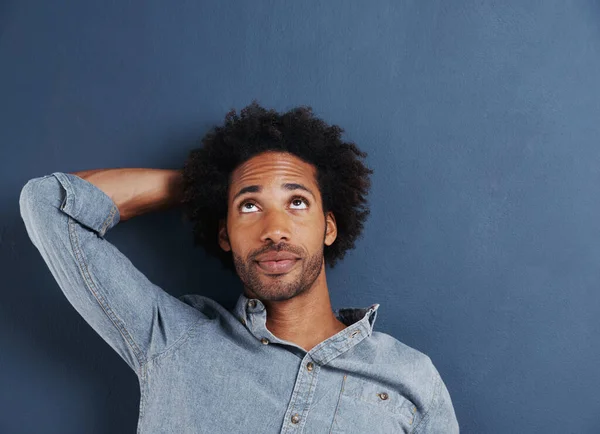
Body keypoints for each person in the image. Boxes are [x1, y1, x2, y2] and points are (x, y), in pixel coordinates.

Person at [19, 101, 459, 433]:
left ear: (329, 226)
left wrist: (234, 194)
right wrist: (204, 187)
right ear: (224, 233)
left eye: (297, 202)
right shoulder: (172, 339)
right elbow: (49, 206)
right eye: (250, 207)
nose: (275, 229)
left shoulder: (409, 378)